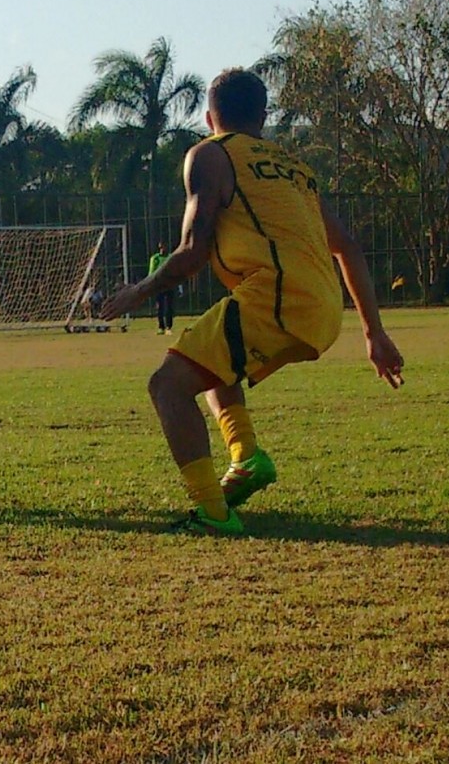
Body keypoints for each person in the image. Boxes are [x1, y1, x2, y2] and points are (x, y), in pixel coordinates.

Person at [100, 68, 404, 535]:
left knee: (168, 385)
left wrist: (136, 292)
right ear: (264, 117)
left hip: (277, 295)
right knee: (208, 361)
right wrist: (374, 333)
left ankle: (213, 513)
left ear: (208, 117)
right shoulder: (296, 170)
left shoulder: (210, 155)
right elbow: (348, 247)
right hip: (322, 306)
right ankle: (246, 458)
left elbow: (191, 252)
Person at [148, 242, 175, 334]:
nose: (163, 249)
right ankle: (161, 327)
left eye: (164, 246)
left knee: (169, 307)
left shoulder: (171, 257)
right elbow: (151, 273)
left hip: (169, 285)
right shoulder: (155, 258)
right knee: (160, 307)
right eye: (161, 247)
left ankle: (168, 327)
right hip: (159, 286)